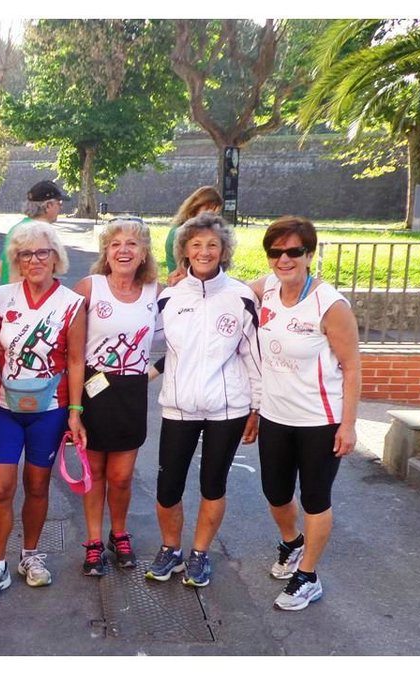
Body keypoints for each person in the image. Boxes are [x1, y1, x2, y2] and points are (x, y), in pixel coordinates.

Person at [0, 220, 87, 602]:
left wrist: (74, 412)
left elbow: (75, 359)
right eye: (25, 254)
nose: (34, 260)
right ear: (16, 260)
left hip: (49, 410)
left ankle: (30, 556)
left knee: (37, 485)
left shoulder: (71, 303)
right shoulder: (3, 297)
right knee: (0, 488)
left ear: (55, 258)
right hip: (3, 408)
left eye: (42, 253)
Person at [250, 216, 361, 611]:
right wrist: (184, 280)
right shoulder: (266, 289)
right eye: (275, 252)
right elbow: (226, 292)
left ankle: (308, 575)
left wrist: (348, 425)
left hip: (320, 420)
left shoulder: (329, 304)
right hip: (275, 416)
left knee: (315, 497)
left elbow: (352, 367)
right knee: (276, 493)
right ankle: (292, 542)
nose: (284, 259)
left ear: (309, 255)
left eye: (294, 251)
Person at [145, 212, 261, 588]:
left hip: (228, 408)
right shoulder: (169, 297)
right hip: (179, 407)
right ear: (184, 250)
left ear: (224, 250)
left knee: (213, 484)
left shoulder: (241, 296)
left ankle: (199, 554)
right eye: (196, 244)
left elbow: (253, 356)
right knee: (168, 487)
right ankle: (170, 549)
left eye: (212, 244)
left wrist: (256, 408)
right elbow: (144, 340)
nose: (204, 251)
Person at [72, 218, 161, 576]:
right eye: (115, 244)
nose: (123, 250)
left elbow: (182, 340)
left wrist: (149, 374)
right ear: (106, 252)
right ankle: (94, 541)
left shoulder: (157, 292)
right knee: (94, 472)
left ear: (144, 253)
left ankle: (118, 533)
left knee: (122, 476)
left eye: (132, 244)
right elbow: (66, 343)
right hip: (94, 389)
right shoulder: (89, 287)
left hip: (131, 393)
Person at [0, 180, 70, 284]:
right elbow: (26, 272)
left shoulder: (17, 228)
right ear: (48, 206)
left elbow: (1, 267)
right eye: (59, 203)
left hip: (10, 292)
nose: (61, 207)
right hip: (24, 293)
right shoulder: (39, 232)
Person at [164, 186, 223, 276]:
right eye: (208, 210)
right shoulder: (179, 233)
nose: (211, 216)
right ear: (195, 207)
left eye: (216, 213)